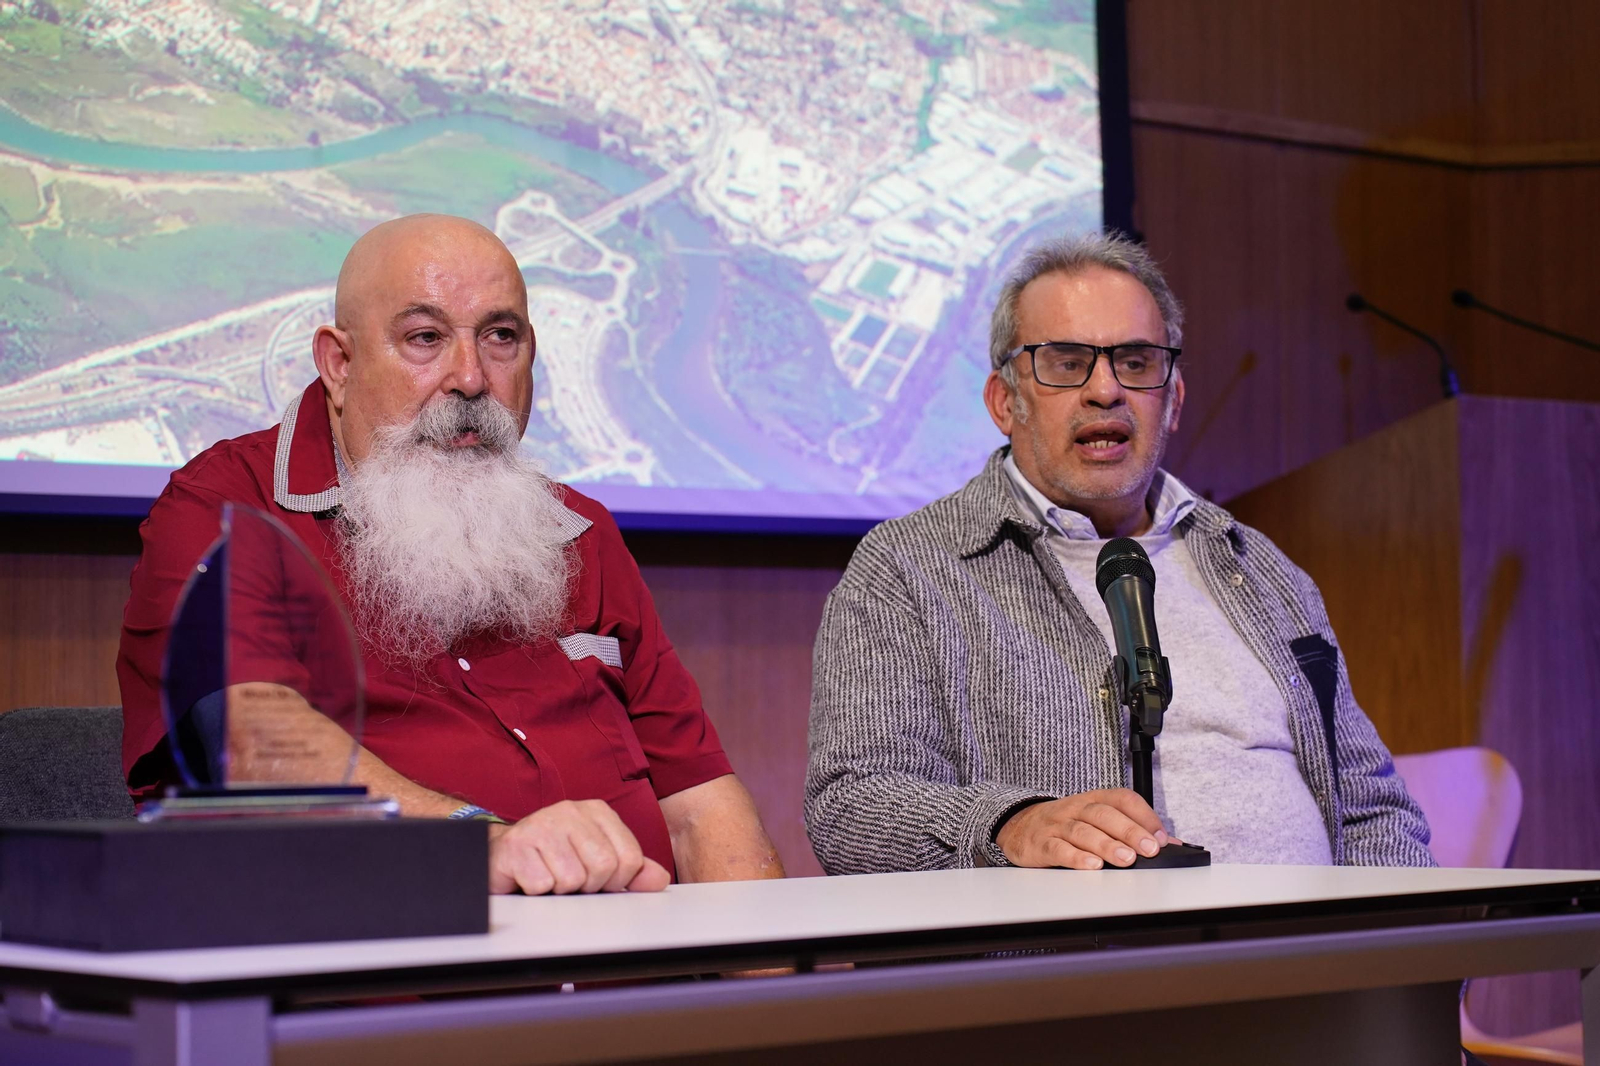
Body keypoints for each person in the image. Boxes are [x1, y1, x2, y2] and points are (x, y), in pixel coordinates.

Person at [119, 214, 784, 895]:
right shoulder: (226, 508)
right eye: (425, 339)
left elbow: (700, 808)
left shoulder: (581, 531)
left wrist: (779, 988)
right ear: (339, 364)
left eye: (501, 337)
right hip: (379, 987)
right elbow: (253, 745)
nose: (470, 378)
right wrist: (479, 841)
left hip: (634, 984)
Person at [806, 232, 1433, 874]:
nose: (1105, 390)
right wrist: (1005, 828)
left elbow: (1371, 811)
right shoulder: (910, 568)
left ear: (1174, 402)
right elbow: (852, 808)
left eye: (1135, 363)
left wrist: (1396, 962)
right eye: (1065, 361)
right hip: (1075, 970)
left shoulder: (1260, 569)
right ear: (1004, 402)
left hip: (1312, 966)